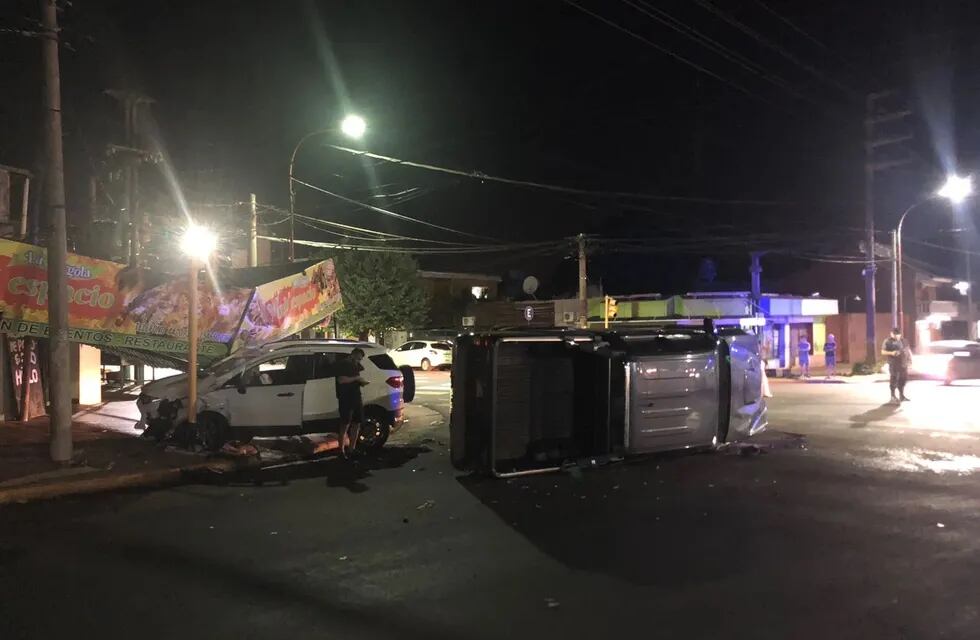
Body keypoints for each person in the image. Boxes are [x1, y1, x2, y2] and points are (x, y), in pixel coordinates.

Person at [336, 348, 369, 458]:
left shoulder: (356, 365)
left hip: (356, 396)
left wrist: (360, 381)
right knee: (345, 424)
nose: (359, 361)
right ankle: (341, 451)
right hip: (345, 397)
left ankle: (352, 448)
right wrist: (356, 378)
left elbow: (357, 376)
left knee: (357, 422)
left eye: (360, 359)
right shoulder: (343, 364)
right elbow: (341, 380)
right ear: (353, 355)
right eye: (358, 358)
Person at [881, 328, 911, 402]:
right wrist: (892, 353)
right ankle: (893, 396)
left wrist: (910, 360)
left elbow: (908, 350)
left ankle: (901, 395)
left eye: (897, 334)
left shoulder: (904, 341)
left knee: (903, 379)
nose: (896, 336)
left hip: (903, 364)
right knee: (894, 379)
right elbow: (883, 352)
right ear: (891, 334)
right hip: (893, 363)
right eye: (894, 334)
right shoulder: (888, 341)